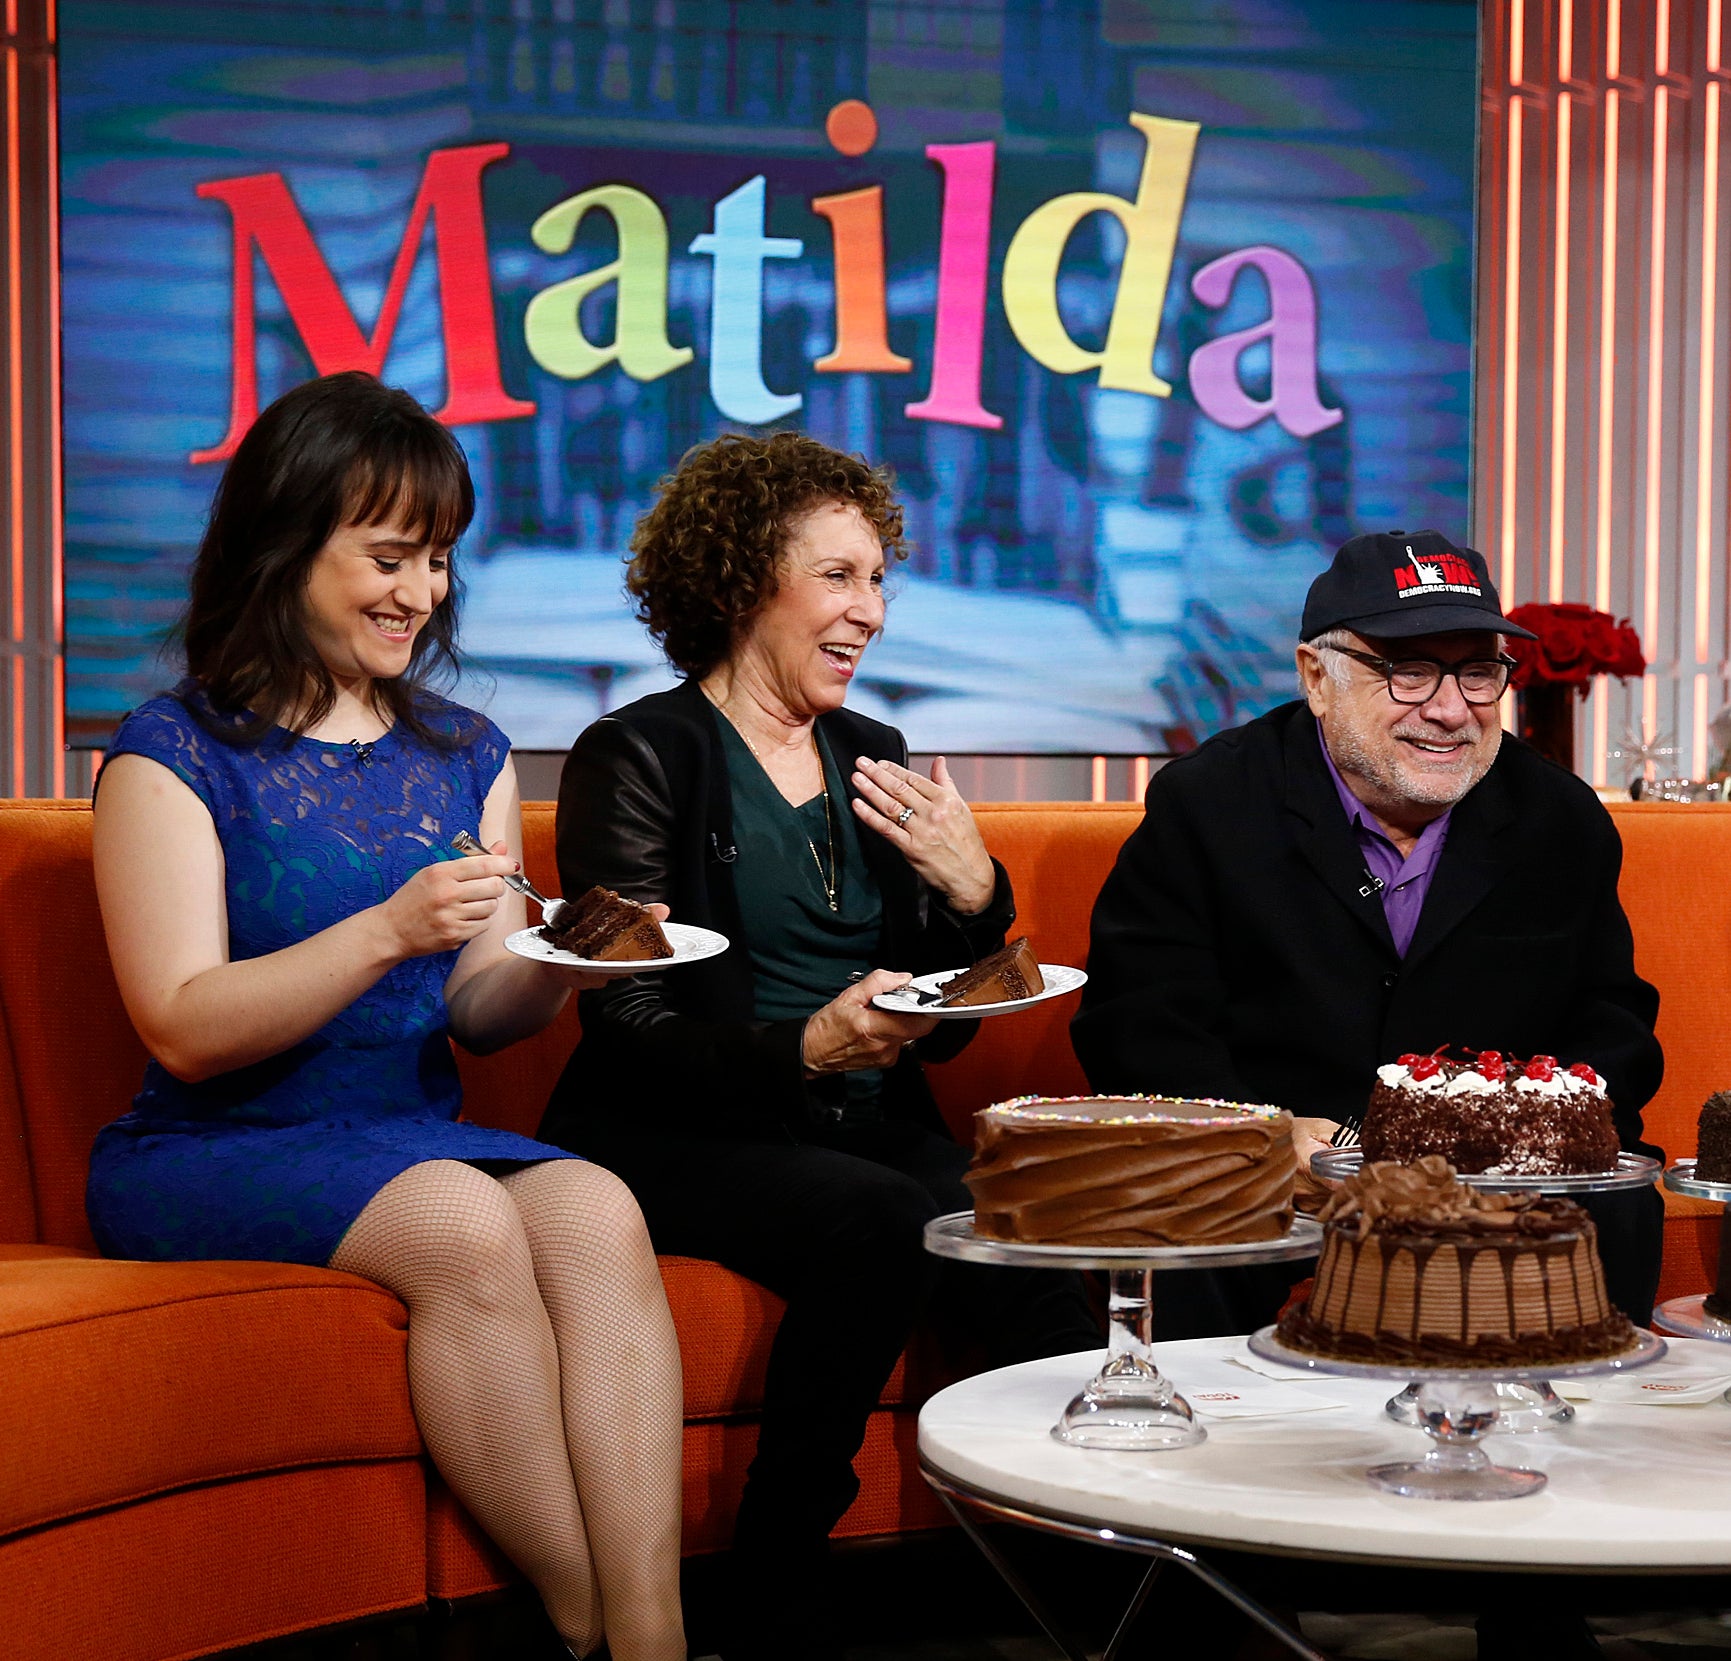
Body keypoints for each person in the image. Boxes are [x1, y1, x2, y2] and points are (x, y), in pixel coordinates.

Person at [84, 372, 686, 1661]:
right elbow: (183, 1025)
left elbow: (475, 1011)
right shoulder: (171, 751)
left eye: (440, 559)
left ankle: (654, 1632)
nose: (422, 591)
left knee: (596, 1205)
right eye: (390, 555)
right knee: (467, 1220)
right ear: (287, 542)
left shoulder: (465, 749)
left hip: (399, 1131)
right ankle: (587, 1628)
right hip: (211, 1146)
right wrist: (385, 930)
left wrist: (564, 964)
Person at [539, 431, 1100, 1661]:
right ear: (746, 582)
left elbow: (944, 1040)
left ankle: (1083, 1578)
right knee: (875, 1218)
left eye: (880, 580)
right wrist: (802, 1050)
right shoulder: (641, 755)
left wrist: (975, 895)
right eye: (840, 577)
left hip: (853, 1118)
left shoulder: (878, 760)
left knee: (1024, 1214)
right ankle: (774, 1585)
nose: (873, 612)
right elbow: (626, 1026)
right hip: (669, 1127)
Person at [1073, 529, 1665, 1342]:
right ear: (1317, 677)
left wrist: (1521, 1140)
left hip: (1496, 1179)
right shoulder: (1210, 803)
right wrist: (1257, 1135)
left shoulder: (1558, 821)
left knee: (1621, 1204)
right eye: (1408, 670)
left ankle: (1572, 1448)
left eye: (1477, 670)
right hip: (1269, 1170)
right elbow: (1138, 1020)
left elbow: (1615, 1023)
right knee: (1178, 1210)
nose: (1450, 708)